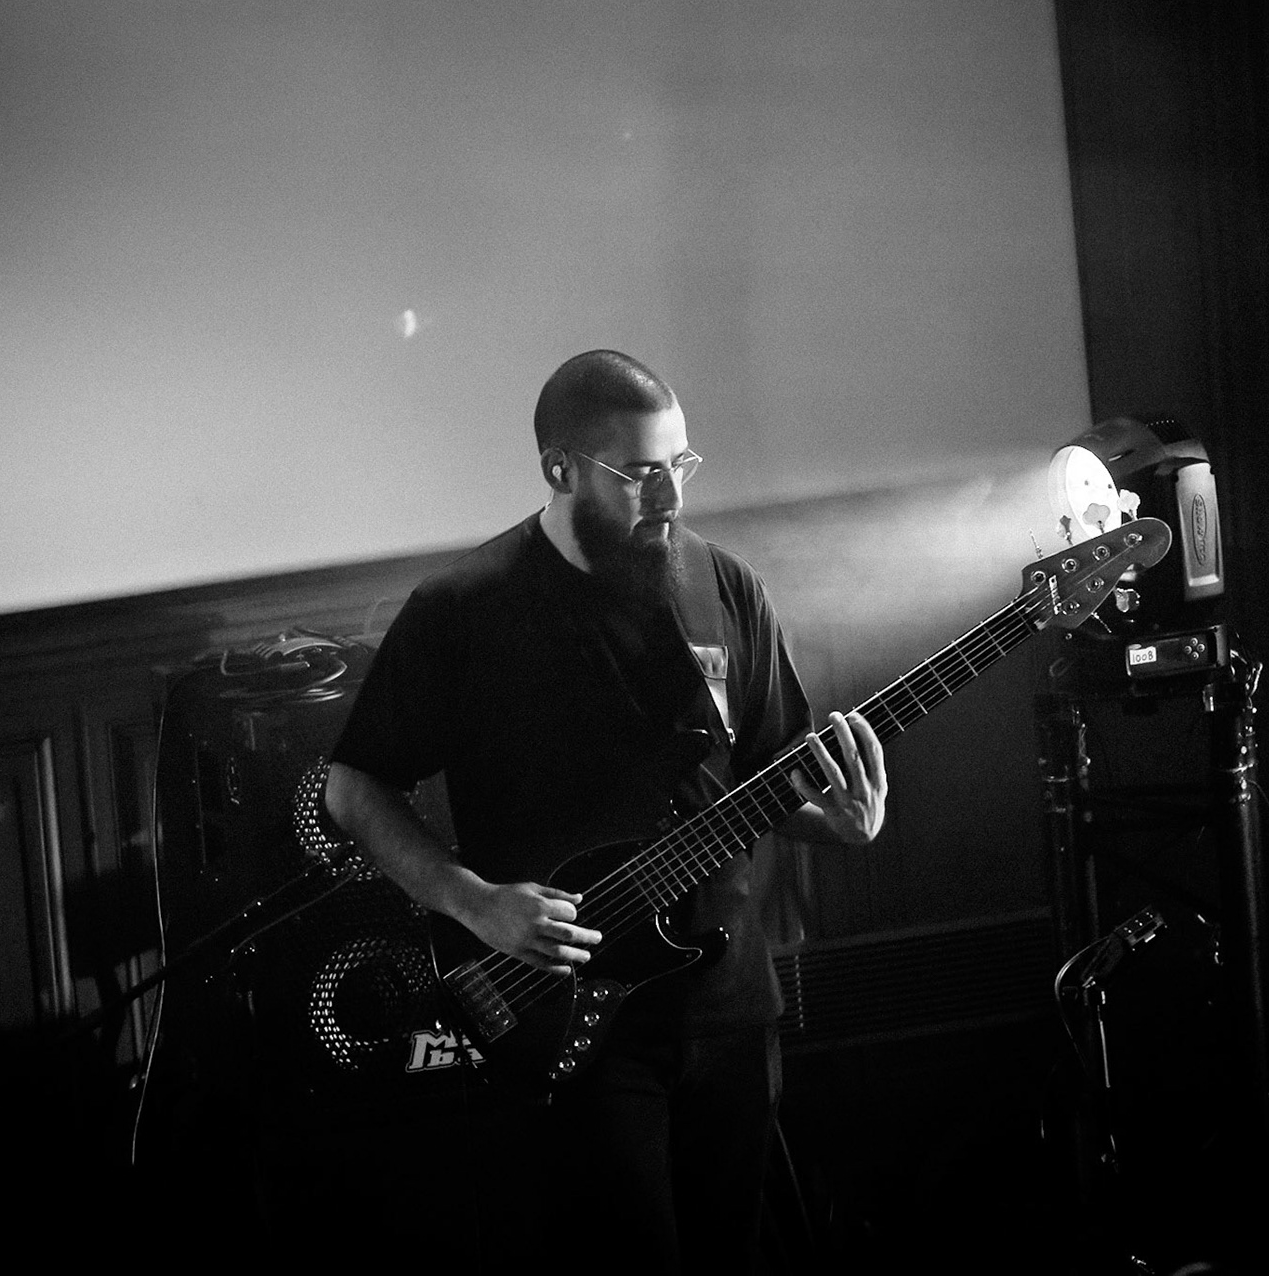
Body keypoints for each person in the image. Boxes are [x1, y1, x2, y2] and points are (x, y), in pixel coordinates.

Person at [323, 349, 887, 1273]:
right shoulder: (464, 608)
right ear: (561, 469)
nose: (669, 495)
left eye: (681, 465)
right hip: (578, 1021)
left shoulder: (724, 586)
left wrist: (842, 823)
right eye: (641, 473)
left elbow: (772, 775)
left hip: (728, 1002)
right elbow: (355, 788)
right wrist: (474, 902)